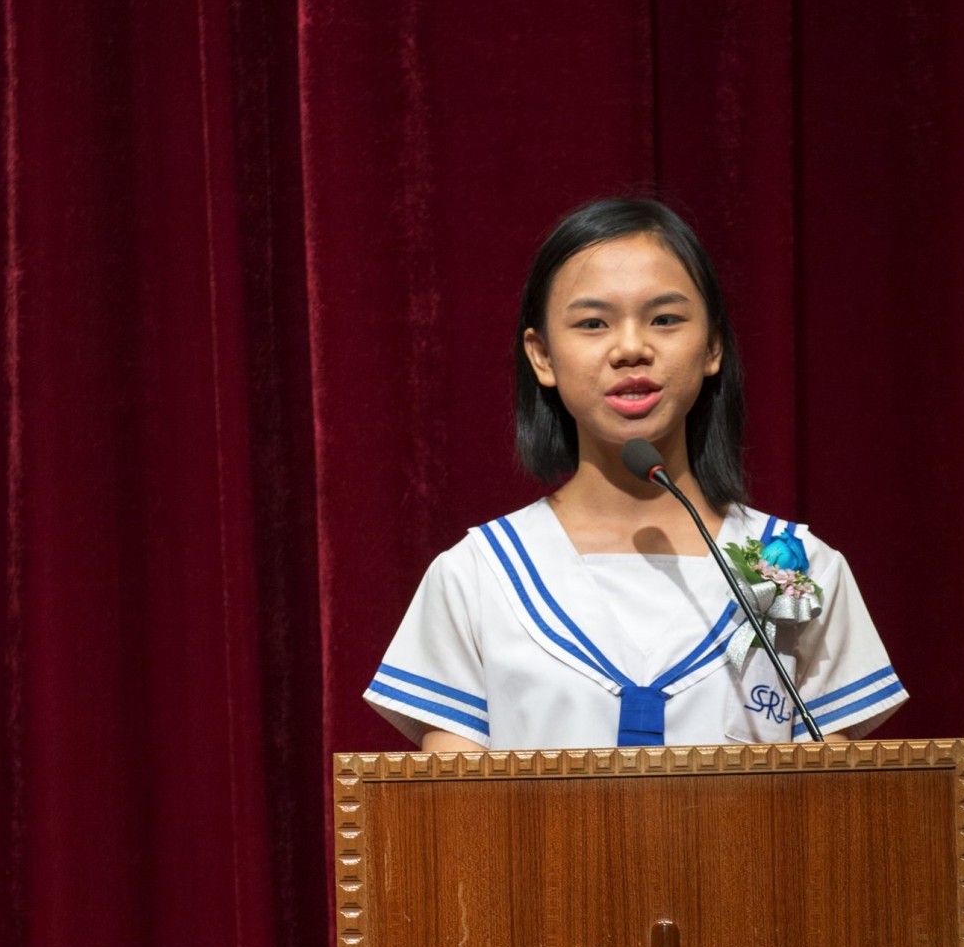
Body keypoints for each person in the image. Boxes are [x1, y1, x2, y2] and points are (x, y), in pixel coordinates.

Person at [363, 198, 906, 752]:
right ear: (542, 356)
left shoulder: (801, 566)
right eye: (593, 323)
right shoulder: (477, 577)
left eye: (664, 319)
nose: (631, 348)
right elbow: (452, 801)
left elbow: (836, 795)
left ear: (713, 346)